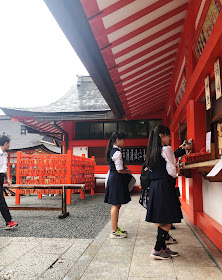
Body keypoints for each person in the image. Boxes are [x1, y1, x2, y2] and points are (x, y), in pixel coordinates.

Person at [145, 125, 182, 260]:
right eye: (168, 135)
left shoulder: (152, 151)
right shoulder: (166, 149)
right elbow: (172, 171)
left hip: (155, 186)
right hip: (164, 186)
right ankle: (156, 249)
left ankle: (163, 248)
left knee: (162, 218)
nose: (170, 138)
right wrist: (177, 169)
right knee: (167, 220)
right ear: (161, 135)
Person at [104, 131, 132, 239]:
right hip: (116, 180)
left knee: (117, 204)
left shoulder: (113, 150)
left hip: (114, 179)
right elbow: (120, 170)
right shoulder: (117, 152)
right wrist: (128, 171)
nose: (124, 142)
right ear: (117, 140)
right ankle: (114, 231)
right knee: (115, 204)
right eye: (122, 140)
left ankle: (115, 228)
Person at [0, 135, 18, 229]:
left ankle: (8, 221)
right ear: (6, 143)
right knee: (1, 200)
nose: (10, 145)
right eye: (9, 143)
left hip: (1, 177)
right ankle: (9, 221)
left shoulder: (5, 154)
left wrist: (8, 179)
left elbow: (5, 167)